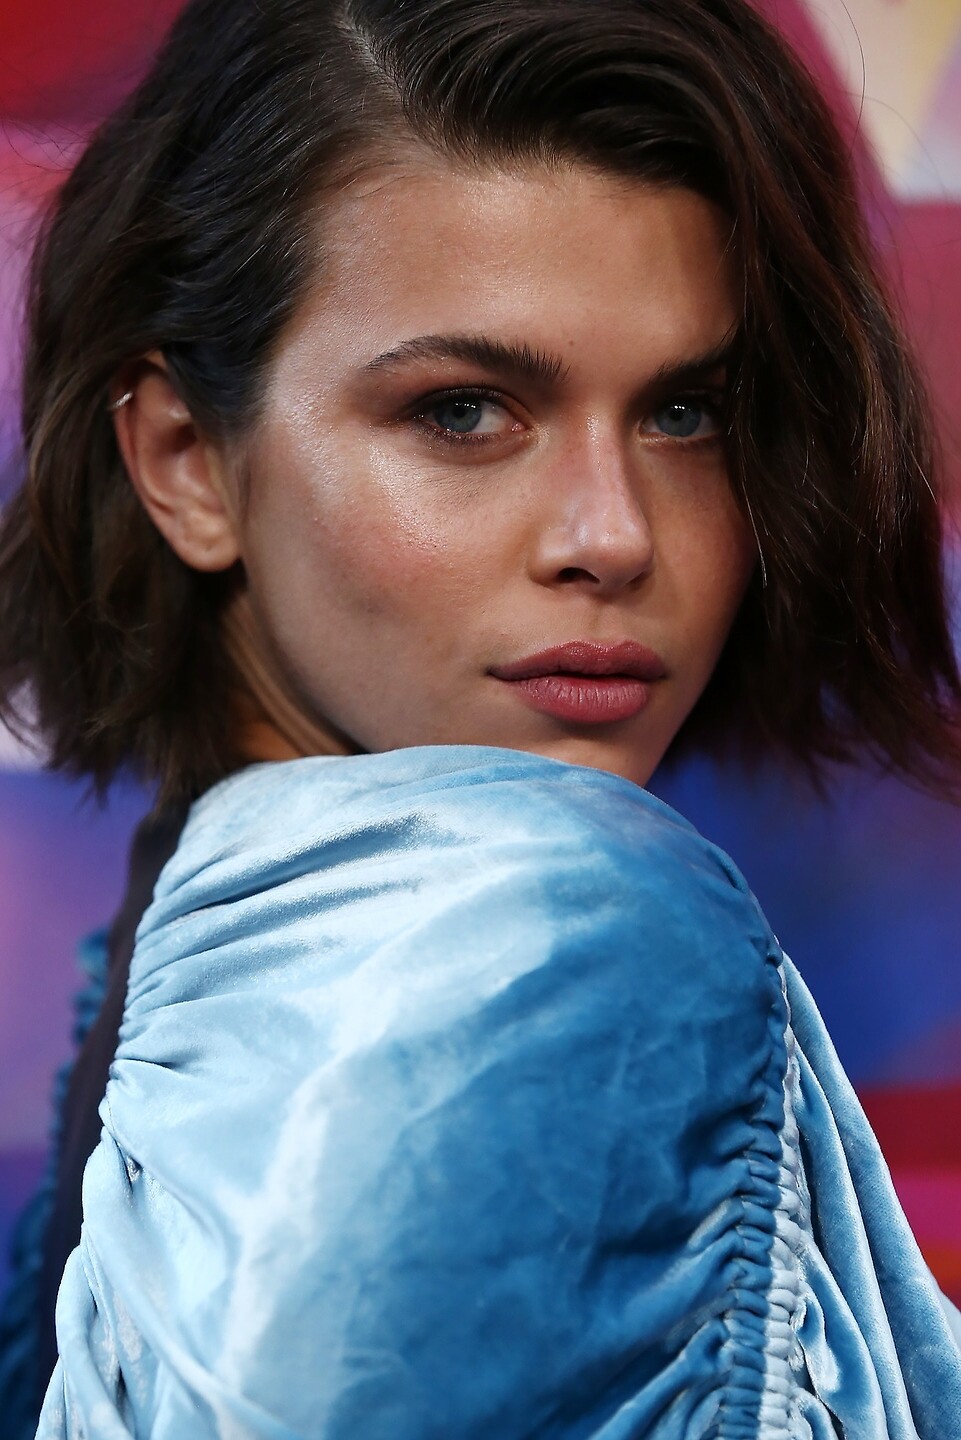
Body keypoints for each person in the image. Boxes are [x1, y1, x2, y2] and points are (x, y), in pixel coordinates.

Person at [0, 0, 960, 1433]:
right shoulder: (551, 926)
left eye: (688, 412)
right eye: (463, 411)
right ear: (186, 459)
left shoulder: (208, 935)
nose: (613, 535)